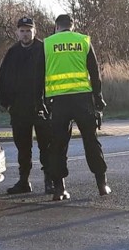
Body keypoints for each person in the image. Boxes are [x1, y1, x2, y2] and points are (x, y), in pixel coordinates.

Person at [35, 13, 110, 201]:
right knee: (91, 142)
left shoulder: (47, 44)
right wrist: (98, 98)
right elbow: (95, 73)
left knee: (58, 145)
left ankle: (59, 189)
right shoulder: (83, 41)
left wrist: (40, 102)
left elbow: (38, 76)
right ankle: (102, 184)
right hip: (82, 99)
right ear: (72, 26)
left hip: (57, 102)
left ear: (56, 26)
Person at [0, 16, 52, 194]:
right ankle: (24, 181)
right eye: (22, 31)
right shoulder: (12, 52)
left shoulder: (43, 49)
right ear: (17, 32)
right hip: (19, 109)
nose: (25, 34)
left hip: (41, 107)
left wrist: (49, 102)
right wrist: (7, 104)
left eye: (28, 30)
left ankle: (49, 181)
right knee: (23, 148)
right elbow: (2, 79)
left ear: (34, 31)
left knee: (46, 146)